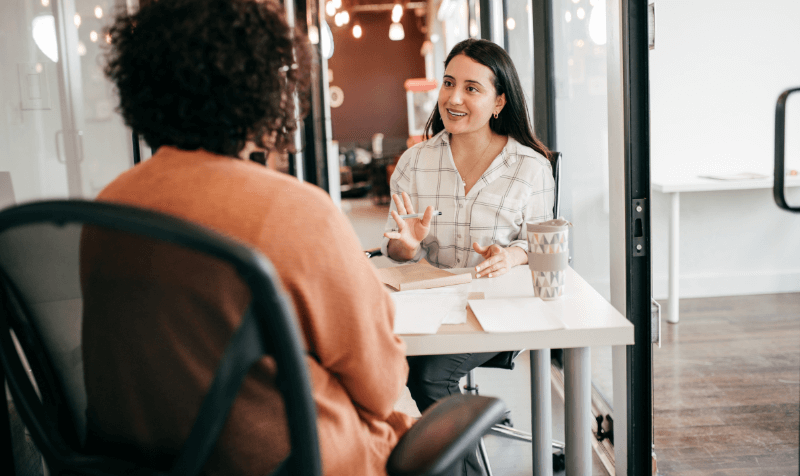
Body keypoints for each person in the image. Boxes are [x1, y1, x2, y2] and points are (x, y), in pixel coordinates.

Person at [80, 1, 413, 475]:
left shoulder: (108, 208)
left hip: (152, 462)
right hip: (288, 461)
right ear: (257, 86)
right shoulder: (296, 211)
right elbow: (381, 386)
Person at [381, 38, 555, 476]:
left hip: (494, 310)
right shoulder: (414, 163)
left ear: (499, 100)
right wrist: (408, 243)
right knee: (393, 365)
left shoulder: (530, 167)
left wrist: (511, 256)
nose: (453, 98)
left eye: (471, 88)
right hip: (429, 308)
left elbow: (542, 243)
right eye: (448, 83)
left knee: (427, 377)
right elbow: (395, 248)